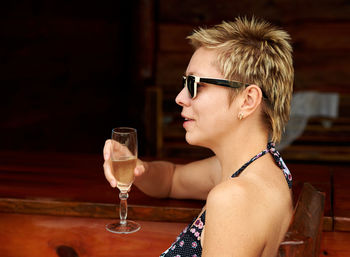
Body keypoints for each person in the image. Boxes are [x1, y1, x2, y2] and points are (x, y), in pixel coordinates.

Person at [103, 16, 294, 257]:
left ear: (247, 100)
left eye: (194, 84)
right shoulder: (253, 169)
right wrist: (139, 169)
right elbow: (171, 180)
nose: (180, 97)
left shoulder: (235, 199)